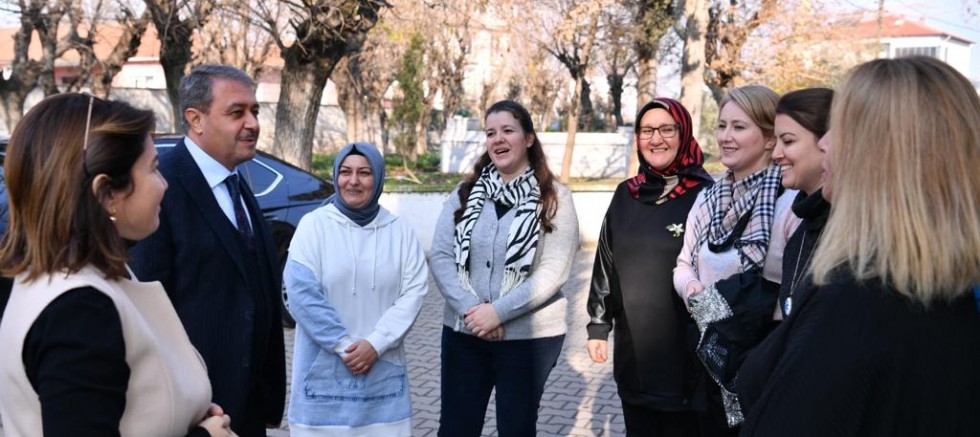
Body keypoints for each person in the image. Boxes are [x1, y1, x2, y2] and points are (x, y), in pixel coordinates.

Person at [738, 56, 980, 436]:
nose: (826, 142)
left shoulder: (856, 302)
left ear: (882, 155)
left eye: (842, 127)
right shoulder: (953, 291)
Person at [0, 93, 232, 436]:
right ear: (107, 193)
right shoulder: (79, 308)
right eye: (153, 168)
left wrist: (186, 413)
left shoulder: (74, 278)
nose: (164, 184)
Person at [129, 64, 286, 437]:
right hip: (194, 414)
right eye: (237, 112)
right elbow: (148, 313)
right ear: (195, 119)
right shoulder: (162, 187)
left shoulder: (237, 182)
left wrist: (267, 395)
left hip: (246, 408)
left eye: (255, 111)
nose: (252, 123)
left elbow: (256, 293)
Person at [431, 100, 579, 436]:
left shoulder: (555, 198)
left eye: (508, 130)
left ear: (528, 138)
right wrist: (474, 312)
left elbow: (555, 270)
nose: (498, 139)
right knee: (456, 428)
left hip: (528, 339)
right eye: (490, 133)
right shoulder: (464, 194)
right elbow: (440, 256)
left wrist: (498, 313)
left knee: (516, 428)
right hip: (464, 332)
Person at [672, 85, 800, 434]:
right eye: (722, 126)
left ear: (770, 138)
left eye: (739, 127)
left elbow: (791, 293)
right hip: (708, 356)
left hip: (763, 362)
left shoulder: (789, 203)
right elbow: (683, 264)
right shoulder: (708, 198)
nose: (725, 137)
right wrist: (692, 290)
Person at [586, 97, 713, 436]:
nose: (656, 139)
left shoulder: (706, 195)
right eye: (646, 131)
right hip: (635, 356)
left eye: (667, 129)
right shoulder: (625, 194)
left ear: (683, 134)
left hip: (686, 361)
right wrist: (598, 324)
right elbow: (605, 261)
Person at [284, 142, 428, 436]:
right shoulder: (313, 226)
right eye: (345, 172)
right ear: (336, 176)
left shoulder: (400, 232)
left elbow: (413, 293)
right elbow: (301, 294)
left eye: (364, 172)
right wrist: (344, 345)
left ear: (378, 178)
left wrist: (375, 344)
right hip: (321, 389)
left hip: (382, 382)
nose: (353, 181)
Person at [769, 88, 833, 318]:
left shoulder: (850, 232)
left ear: (827, 142)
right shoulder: (803, 226)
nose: (776, 154)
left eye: (788, 141)